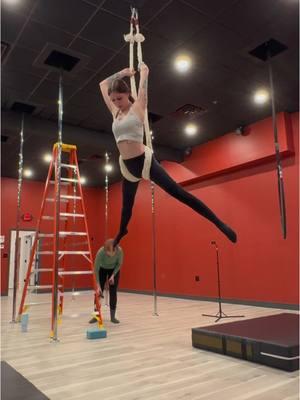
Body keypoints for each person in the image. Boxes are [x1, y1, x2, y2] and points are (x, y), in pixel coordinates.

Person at [99, 63, 237, 247]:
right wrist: (122, 72)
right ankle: (122, 231)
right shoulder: (115, 113)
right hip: (127, 167)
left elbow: (143, 83)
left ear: (127, 95)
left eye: (119, 99)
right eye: (114, 100)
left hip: (144, 162)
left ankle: (219, 223)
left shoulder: (138, 108)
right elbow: (102, 84)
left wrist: (145, 72)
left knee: (178, 192)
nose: (116, 103)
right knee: (127, 206)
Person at [89, 239, 123, 324]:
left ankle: (113, 317)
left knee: (113, 292)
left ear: (115, 249)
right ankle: (96, 316)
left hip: (114, 270)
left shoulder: (120, 251)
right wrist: (98, 286)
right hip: (102, 269)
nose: (109, 254)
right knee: (98, 293)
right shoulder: (101, 252)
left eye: (111, 252)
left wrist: (113, 275)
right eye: (107, 252)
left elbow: (119, 264)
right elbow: (96, 269)